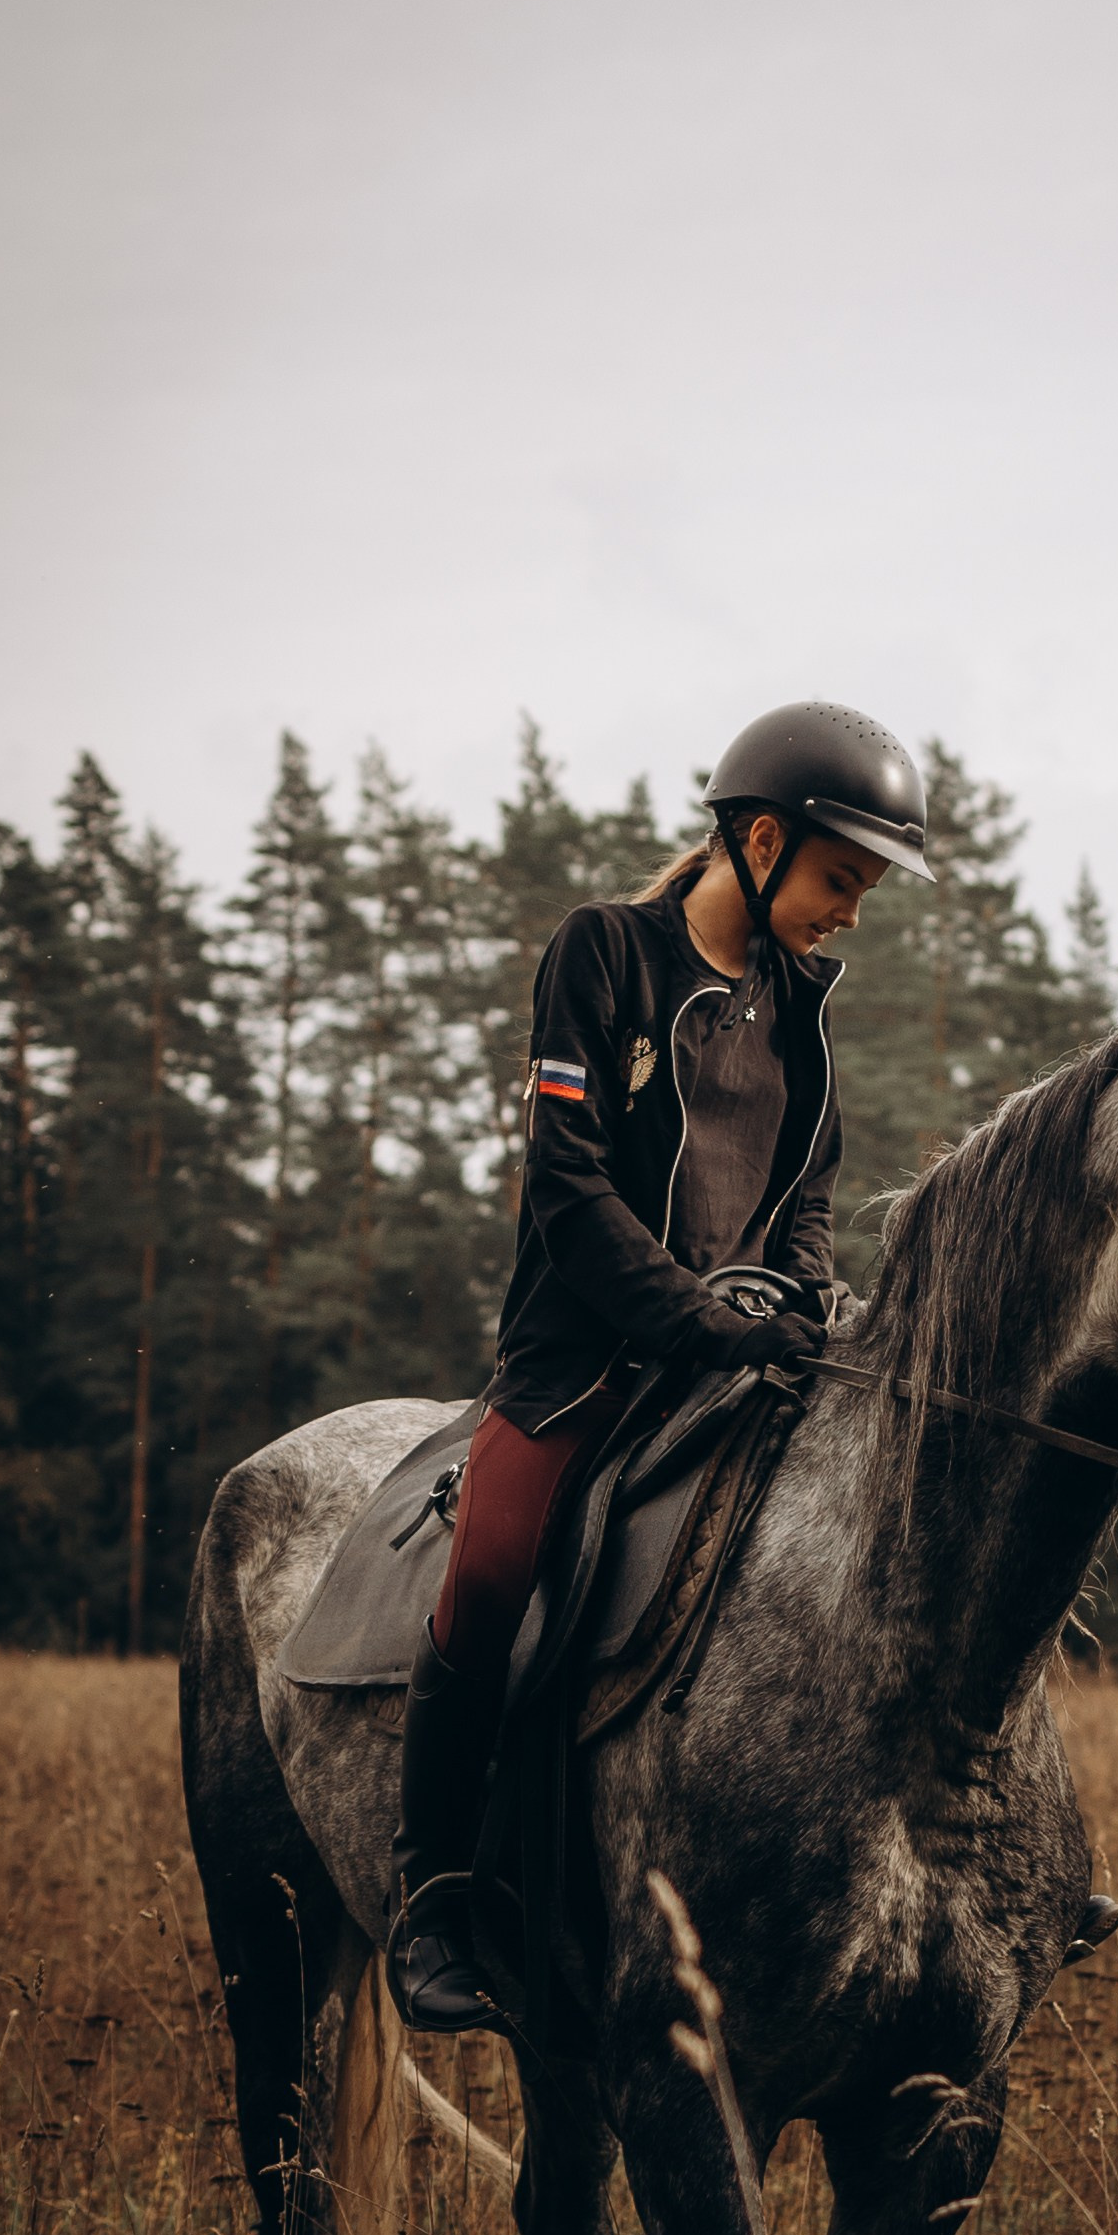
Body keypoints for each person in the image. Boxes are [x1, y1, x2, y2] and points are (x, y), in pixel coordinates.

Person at [387, 700, 930, 2032]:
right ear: (758, 841)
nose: (850, 911)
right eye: (838, 880)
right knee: (493, 1567)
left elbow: (810, 1185)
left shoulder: (801, 1006)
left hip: (748, 1354)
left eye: (863, 890)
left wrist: (803, 1293)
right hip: (581, 1363)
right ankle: (435, 1893)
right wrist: (696, 1316)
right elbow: (567, 1190)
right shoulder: (602, 955)